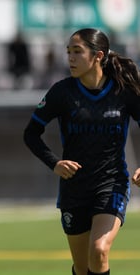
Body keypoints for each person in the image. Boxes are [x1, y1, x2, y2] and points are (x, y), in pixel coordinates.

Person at [23, 28, 140, 275]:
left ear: (98, 56)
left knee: (99, 250)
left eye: (77, 52)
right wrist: (54, 163)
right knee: (83, 266)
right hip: (74, 188)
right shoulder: (62, 92)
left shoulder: (123, 91)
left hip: (112, 183)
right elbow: (31, 134)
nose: (71, 58)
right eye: (68, 52)